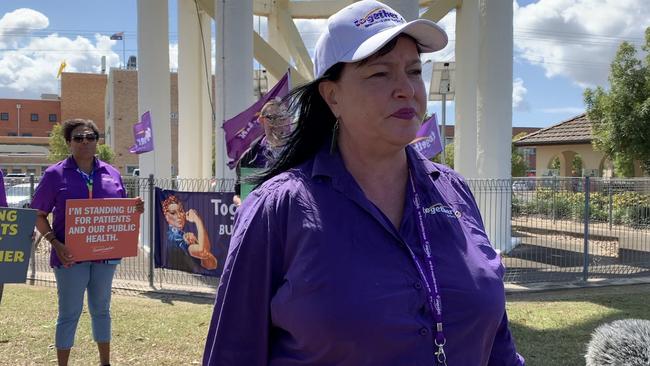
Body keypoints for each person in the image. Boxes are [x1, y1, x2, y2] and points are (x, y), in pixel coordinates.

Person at [203, 0, 525, 365]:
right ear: (332, 96)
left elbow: (498, 343)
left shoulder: (455, 192)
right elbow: (231, 354)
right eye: (380, 74)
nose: (406, 89)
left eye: (414, 71)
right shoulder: (278, 209)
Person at [31, 119, 144, 366]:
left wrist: (135, 208)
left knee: (101, 310)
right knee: (69, 314)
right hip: (69, 257)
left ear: (97, 141)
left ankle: (105, 362)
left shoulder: (112, 173)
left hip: (105, 257)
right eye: (78, 138)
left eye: (90, 137)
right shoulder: (54, 174)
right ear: (69, 142)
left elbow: (123, 210)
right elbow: (38, 214)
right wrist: (55, 243)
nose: (85, 142)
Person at [234, 99, 292, 206]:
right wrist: (243, 206)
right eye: (272, 118)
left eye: (282, 117)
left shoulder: (303, 152)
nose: (277, 123)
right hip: (260, 219)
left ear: (288, 120)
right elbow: (238, 195)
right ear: (262, 120)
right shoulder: (249, 158)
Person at [162, 194, 218, 271]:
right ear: (166, 216)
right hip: (181, 278)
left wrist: (196, 242)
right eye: (173, 213)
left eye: (181, 211)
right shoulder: (175, 237)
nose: (179, 216)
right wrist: (198, 221)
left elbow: (212, 264)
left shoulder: (183, 234)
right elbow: (204, 252)